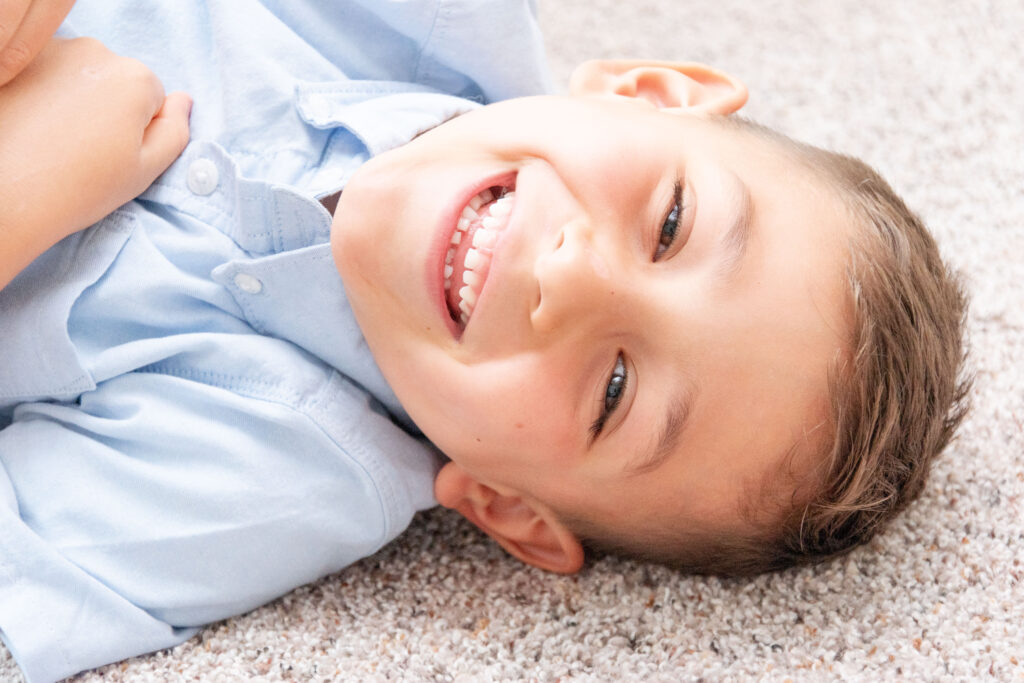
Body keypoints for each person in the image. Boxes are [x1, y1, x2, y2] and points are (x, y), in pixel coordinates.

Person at [0, 1, 969, 681]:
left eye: (616, 388)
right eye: (671, 224)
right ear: (649, 89)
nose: (569, 277)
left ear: (508, 504)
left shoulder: (265, 481)